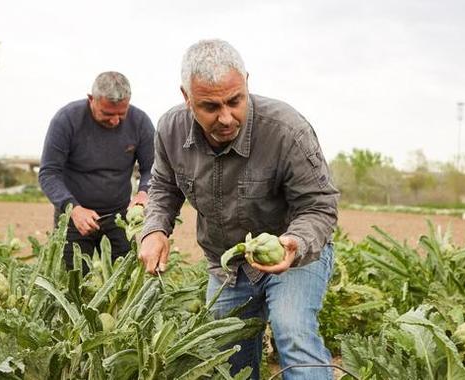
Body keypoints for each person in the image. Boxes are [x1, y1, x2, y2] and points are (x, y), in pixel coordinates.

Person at [138, 39, 339, 379]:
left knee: (294, 333)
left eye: (235, 100)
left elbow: (319, 205)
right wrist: (155, 229)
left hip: (292, 256)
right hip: (226, 265)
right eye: (210, 107)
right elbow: (163, 187)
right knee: (228, 358)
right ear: (187, 98)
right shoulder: (170, 130)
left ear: (246, 82)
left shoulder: (287, 130)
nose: (227, 117)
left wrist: (293, 243)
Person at [39, 71, 155, 270]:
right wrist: (73, 208)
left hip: (119, 219)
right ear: (91, 99)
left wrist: (144, 191)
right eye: (108, 114)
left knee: (125, 284)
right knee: (70, 284)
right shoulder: (66, 120)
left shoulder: (140, 122)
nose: (115, 121)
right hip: (74, 219)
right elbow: (49, 173)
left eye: (121, 113)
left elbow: (152, 168)